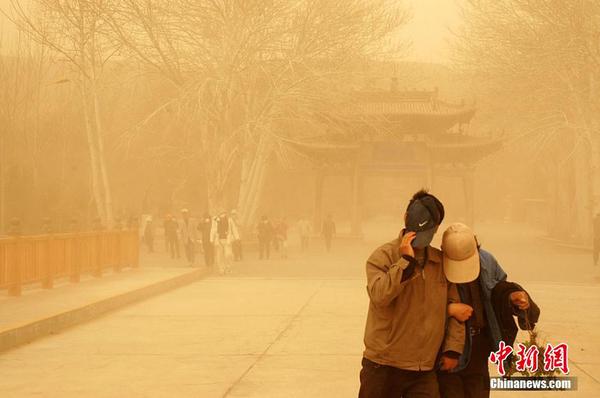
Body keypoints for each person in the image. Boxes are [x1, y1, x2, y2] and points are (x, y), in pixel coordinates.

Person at [359, 190, 465, 398]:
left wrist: (452, 349)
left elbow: (456, 308)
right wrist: (405, 264)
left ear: (436, 229)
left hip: (423, 371)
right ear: (406, 218)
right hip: (382, 366)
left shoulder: (439, 262)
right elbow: (379, 296)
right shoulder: (383, 257)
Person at [439, 223, 540, 398]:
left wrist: (513, 297)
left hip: (479, 344)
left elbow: (500, 288)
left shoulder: (487, 260)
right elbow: (423, 305)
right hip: (449, 348)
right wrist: (449, 310)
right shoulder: (437, 265)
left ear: (476, 247)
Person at [211, 211, 237, 275]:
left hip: (227, 240)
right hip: (218, 240)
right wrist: (211, 239)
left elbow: (233, 228)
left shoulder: (229, 220)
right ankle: (221, 269)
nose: (222, 215)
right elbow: (213, 229)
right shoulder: (215, 220)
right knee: (219, 256)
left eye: (224, 214)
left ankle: (228, 267)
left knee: (228, 255)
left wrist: (237, 237)